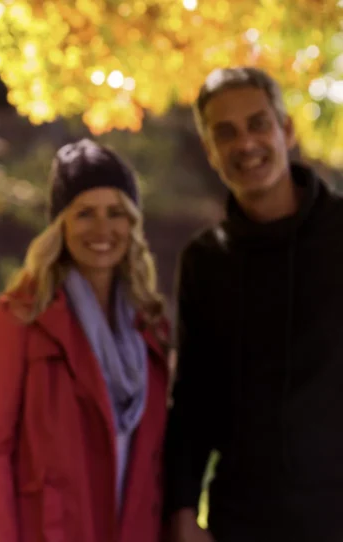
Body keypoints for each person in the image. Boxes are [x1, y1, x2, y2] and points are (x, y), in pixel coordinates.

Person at [165, 67, 343, 542]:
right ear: (210, 151)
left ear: (286, 130)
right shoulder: (204, 261)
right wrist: (181, 507)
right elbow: (193, 397)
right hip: (244, 519)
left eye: (258, 124)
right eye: (226, 132)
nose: (245, 143)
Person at [0, 139, 170, 542]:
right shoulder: (16, 319)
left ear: (132, 223)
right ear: (61, 226)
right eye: (85, 214)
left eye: (116, 213)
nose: (103, 229)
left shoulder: (152, 328)